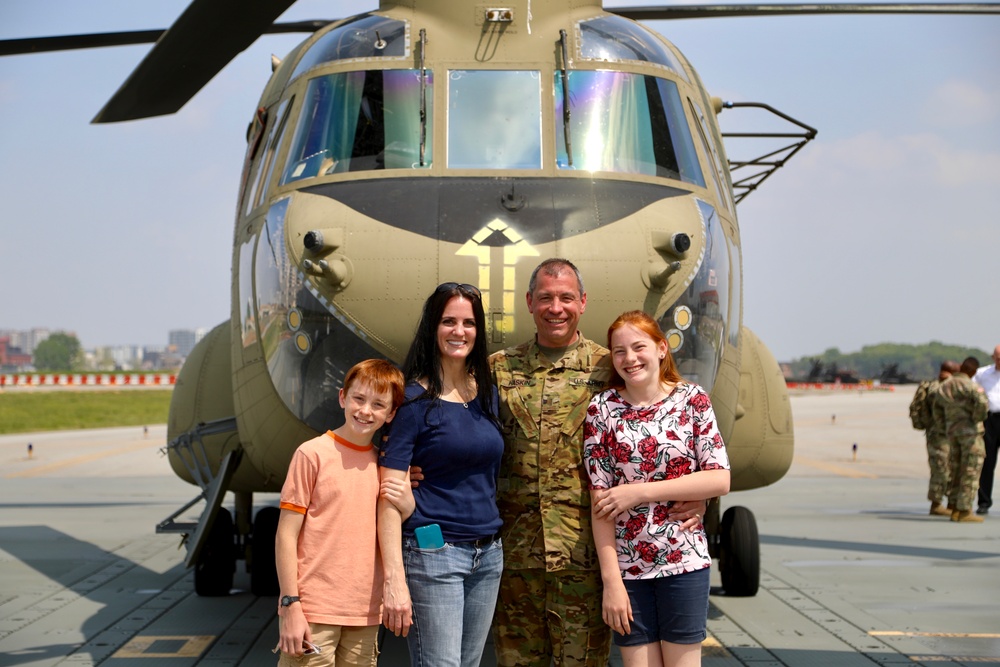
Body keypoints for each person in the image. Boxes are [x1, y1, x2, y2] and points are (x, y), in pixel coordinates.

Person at [489, 258, 705, 667]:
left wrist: (698, 497)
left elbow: (662, 435)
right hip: (516, 559)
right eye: (547, 298)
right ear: (530, 302)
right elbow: (464, 436)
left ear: (583, 302)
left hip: (587, 559)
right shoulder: (499, 369)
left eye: (567, 297)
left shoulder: (614, 367)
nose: (557, 307)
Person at [585, 310, 730, 667]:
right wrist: (612, 583)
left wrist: (640, 492)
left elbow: (719, 478)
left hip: (683, 563)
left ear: (661, 348)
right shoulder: (602, 411)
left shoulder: (693, 401)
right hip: (628, 572)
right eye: (619, 351)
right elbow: (600, 506)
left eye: (639, 347)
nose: (630, 359)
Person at [378, 282, 505, 667]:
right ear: (433, 327)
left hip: (488, 556)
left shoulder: (488, 395)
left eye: (468, 322)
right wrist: (394, 581)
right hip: (434, 554)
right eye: (448, 321)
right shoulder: (414, 401)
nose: (459, 331)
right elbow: (388, 497)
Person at [274, 359, 411, 665]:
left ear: (390, 414)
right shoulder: (312, 454)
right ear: (342, 398)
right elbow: (286, 535)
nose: (365, 411)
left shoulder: (385, 465)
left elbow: (395, 519)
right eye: (359, 399)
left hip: (364, 614)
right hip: (313, 611)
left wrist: (408, 502)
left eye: (378, 404)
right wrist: (290, 604)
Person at [936, 356, 990, 523]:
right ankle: (965, 510)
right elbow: (982, 405)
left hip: (952, 432)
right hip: (970, 434)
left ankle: (953, 506)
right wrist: (976, 418)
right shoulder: (971, 386)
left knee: (956, 470)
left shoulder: (944, 386)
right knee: (971, 470)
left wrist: (945, 425)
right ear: (973, 371)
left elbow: (936, 409)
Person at [911, 361, 958, 516]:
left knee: (953, 469)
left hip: (951, 435)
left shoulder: (945, 385)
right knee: (940, 469)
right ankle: (936, 504)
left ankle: (951, 503)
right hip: (938, 436)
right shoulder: (937, 387)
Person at [974, 345, 1000, 515]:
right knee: (987, 462)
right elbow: (970, 385)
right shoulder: (983, 373)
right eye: (998, 358)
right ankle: (984, 502)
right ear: (993, 357)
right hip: (989, 420)